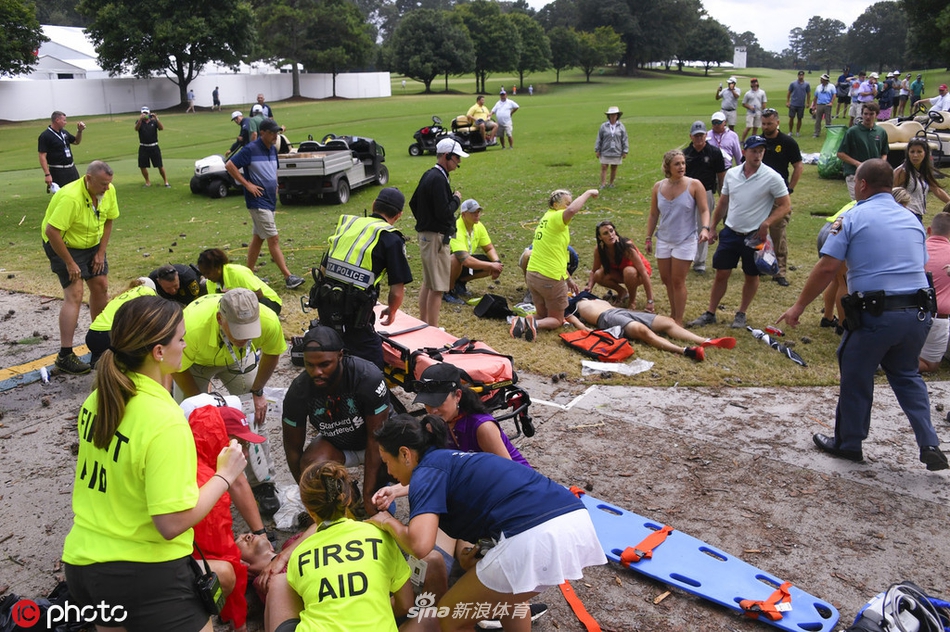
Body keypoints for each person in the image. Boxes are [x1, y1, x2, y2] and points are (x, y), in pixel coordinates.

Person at [62, 295, 247, 631]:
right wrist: (224, 476)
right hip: (143, 571)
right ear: (158, 352)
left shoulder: (97, 399)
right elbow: (171, 523)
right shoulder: (165, 420)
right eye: (180, 338)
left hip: (83, 564)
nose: (186, 344)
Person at [777, 159, 948, 472]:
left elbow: (828, 266)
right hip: (918, 313)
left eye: (855, 182)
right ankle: (929, 442)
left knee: (856, 371)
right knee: (907, 374)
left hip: (878, 314)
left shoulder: (852, 216)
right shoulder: (911, 219)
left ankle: (848, 442)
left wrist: (798, 306)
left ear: (863, 184)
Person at [370, 413, 606, 632]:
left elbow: (420, 545)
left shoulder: (426, 472)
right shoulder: (450, 460)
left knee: (448, 618)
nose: (389, 472)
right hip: (572, 519)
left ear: (405, 454)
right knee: (511, 597)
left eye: (386, 461)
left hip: (532, 536)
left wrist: (387, 521)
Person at [264, 462, 418, 632]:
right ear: (349, 497)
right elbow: (405, 605)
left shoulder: (299, 555)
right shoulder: (379, 535)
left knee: (280, 583)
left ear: (309, 510)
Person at [172, 289, 288, 515]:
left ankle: (263, 483)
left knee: (253, 417)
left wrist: (258, 391)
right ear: (220, 319)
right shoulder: (191, 327)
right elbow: (179, 368)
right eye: (238, 330)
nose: (245, 336)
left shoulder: (268, 320)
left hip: (238, 359)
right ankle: (199, 483)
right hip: (195, 363)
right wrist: (203, 403)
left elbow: (272, 354)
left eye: (249, 331)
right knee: (191, 423)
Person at [281, 326, 391, 518]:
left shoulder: (367, 377)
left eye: (324, 364)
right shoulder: (299, 391)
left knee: (399, 454)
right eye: (310, 365)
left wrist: (369, 495)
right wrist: (310, 498)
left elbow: (375, 440)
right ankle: (348, 498)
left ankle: (378, 499)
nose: (317, 372)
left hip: (376, 443)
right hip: (338, 444)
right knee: (311, 465)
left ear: (340, 356)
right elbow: (292, 449)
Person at [184, 395, 269, 632]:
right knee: (226, 572)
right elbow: (223, 558)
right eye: (238, 442)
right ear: (222, 440)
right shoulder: (210, 486)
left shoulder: (186, 458)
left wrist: (259, 532)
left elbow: (238, 482)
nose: (243, 450)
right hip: (161, 572)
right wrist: (239, 622)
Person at [688, 136, 790, 330]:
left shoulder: (772, 176)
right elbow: (723, 202)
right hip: (731, 232)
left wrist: (767, 223)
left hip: (754, 237)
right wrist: (712, 227)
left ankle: (741, 313)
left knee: (751, 275)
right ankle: (710, 312)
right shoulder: (732, 174)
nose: (758, 154)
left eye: (761, 151)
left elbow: (785, 205)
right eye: (754, 151)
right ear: (744, 152)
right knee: (721, 273)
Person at [311, 187, 412, 368]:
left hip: (325, 301)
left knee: (333, 345)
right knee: (370, 359)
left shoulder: (348, 224)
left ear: (374, 205)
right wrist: (392, 310)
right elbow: (397, 288)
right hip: (355, 312)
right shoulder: (391, 238)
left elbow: (323, 269)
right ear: (398, 215)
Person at [41, 160, 118, 375]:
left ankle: (101, 344)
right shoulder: (70, 198)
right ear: (89, 178)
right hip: (62, 244)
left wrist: (101, 252)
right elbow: (52, 231)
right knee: (75, 292)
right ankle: (65, 355)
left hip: (91, 242)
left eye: (109, 183)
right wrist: (70, 262)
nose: (107, 188)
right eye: (103, 184)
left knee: (101, 285)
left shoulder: (108, 191)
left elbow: (109, 220)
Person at [226, 118, 305, 290]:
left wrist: (275, 184)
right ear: (262, 133)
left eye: (277, 132)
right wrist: (247, 184)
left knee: (258, 238)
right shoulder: (250, 149)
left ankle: (248, 274)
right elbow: (230, 165)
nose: (275, 136)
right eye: (272, 133)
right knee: (273, 238)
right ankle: (288, 276)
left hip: (269, 200)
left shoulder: (271, 149)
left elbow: (273, 169)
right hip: (258, 202)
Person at [565, 292, 735, 362]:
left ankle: (706, 341)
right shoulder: (569, 303)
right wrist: (584, 328)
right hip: (607, 318)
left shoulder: (587, 294)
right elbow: (569, 316)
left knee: (668, 322)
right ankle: (685, 350)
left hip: (619, 310)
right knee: (642, 331)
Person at [522, 188, 599, 339]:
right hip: (549, 277)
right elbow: (571, 211)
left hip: (533, 275)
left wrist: (568, 278)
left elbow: (556, 254)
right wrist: (588, 193)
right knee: (557, 319)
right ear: (555, 204)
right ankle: (531, 325)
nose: (568, 207)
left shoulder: (546, 218)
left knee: (543, 314)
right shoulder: (557, 217)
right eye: (566, 203)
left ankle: (524, 321)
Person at [647, 149, 710, 325]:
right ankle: (673, 314)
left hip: (685, 239)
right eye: (677, 164)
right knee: (666, 279)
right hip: (664, 239)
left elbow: (705, 210)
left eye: (683, 163)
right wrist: (648, 237)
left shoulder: (695, 185)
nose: (681, 167)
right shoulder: (658, 187)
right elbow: (653, 215)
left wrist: (705, 229)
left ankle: (679, 320)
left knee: (678, 280)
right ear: (668, 167)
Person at [409, 137, 466, 327]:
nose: (458, 163)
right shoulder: (438, 179)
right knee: (438, 287)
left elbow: (413, 202)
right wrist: (456, 199)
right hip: (436, 237)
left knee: (428, 281)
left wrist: (424, 221)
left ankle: (424, 323)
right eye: (456, 158)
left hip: (427, 235)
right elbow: (444, 211)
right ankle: (432, 329)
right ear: (446, 156)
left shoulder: (429, 175)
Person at [760, 108, 803, 287]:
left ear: (777, 122)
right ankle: (760, 265)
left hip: (778, 195)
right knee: (757, 232)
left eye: (769, 123)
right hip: (759, 194)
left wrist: (790, 188)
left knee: (778, 232)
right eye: (763, 123)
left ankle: (780, 271)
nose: (766, 127)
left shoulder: (787, 142)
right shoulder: (757, 142)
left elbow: (798, 166)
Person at [683, 120, 726, 274]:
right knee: (687, 225)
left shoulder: (714, 152)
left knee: (703, 225)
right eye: (696, 136)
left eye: (701, 135)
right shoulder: (685, 154)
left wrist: (722, 194)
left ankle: (700, 261)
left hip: (707, 192)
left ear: (706, 135)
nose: (699, 139)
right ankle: (686, 257)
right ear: (691, 136)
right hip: (687, 193)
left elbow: (721, 175)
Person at [85, 277, 156, 368]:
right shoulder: (147, 291)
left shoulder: (122, 296)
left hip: (93, 335)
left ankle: (101, 365)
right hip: (109, 336)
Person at [586, 220, 653, 311]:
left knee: (629, 272)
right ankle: (622, 292)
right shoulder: (599, 250)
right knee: (598, 275)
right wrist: (589, 288)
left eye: (611, 230)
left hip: (638, 273)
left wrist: (650, 301)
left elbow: (644, 273)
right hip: (621, 272)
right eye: (605, 233)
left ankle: (632, 301)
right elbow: (594, 271)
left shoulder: (626, 246)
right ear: (600, 237)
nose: (610, 234)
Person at [197, 248, 283, 315]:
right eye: (204, 274)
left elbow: (259, 294)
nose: (206, 277)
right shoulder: (211, 282)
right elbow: (215, 303)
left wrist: (236, 294)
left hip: (269, 303)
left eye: (208, 273)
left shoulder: (238, 272)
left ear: (218, 267)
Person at [447, 198, 502, 301]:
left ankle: (460, 283)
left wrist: (496, 263)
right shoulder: (456, 228)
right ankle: (448, 291)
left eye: (478, 212)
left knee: (490, 261)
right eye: (473, 213)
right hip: (445, 266)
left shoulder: (478, 226)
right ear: (463, 214)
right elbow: (465, 260)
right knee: (455, 259)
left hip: (463, 263)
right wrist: (491, 266)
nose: (477, 215)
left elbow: (489, 248)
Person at [837, 102, 889, 200]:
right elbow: (841, 153)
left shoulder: (881, 132)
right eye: (865, 114)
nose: (868, 117)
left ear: (876, 115)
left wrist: (881, 164)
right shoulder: (852, 132)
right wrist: (857, 164)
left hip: (873, 174)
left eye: (871, 114)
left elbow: (884, 152)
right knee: (858, 202)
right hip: (854, 174)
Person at [920, 212, 950, 372]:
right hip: (939, 318)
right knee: (931, 366)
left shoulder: (916, 250)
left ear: (929, 230)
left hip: (908, 314)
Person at [893, 137, 950, 221]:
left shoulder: (924, 171)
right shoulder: (902, 172)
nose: (915, 155)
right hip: (905, 216)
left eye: (919, 152)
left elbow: (936, 190)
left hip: (918, 215)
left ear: (925, 153)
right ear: (908, 153)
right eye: (912, 152)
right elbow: (890, 193)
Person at [38, 110, 85, 189]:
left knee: (77, 192)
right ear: (57, 120)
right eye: (64, 120)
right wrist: (47, 174)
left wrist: (79, 131)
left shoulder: (64, 132)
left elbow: (76, 141)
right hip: (58, 171)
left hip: (71, 169)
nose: (65, 122)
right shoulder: (45, 136)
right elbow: (42, 156)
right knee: (61, 196)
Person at [135, 106, 170, 187]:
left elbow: (161, 128)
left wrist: (156, 118)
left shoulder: (154, 122)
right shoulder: (139, 122)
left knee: (159, 165)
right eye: (143, 113)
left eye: (146, 113)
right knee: (142, 166)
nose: (145, 115)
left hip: (154, 146)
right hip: (143, 147)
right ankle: (147, 182)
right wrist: (140, 119)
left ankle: (166, 181)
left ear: (149, 113)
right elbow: (136, 129)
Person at [594, 106, 629, 189]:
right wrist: (597, 149)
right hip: (605, 149)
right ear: (608, 116)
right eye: (611, 115)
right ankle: (603, 184)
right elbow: (599, 138)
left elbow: (624, 138)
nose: (613, 116)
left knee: (614, 167)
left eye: (614, 115)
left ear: (617, 115)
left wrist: (625, 150)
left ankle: (611, 183)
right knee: (604, 166)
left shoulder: (621, 126)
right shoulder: (603, 126)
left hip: (617, 150)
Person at [785, 70, 811, 137]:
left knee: (799, 118)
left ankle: (797, 132)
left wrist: (808, 103)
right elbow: (789, 93)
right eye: (800, 75)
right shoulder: (793, 84)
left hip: (801, 104)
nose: (801, 76)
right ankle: (790, 131)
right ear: (798, 76)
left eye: (802, 75)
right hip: (793, 103)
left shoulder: (806, 84)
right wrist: (787, 102)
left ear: (804, 76)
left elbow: (808, 94)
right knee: (791, 117)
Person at [811, 74, 837, 138]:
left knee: (828, 120)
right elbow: (815, 96)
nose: (821, 80)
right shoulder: (818, 87)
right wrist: (814, 105)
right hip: (819, 104)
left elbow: (834, 95)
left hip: (827, 105)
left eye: (822, 79)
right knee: (818, 120)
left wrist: (831, 102)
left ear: (826, 80)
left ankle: (829, 133)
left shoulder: (831, 86)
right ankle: (816, 133)